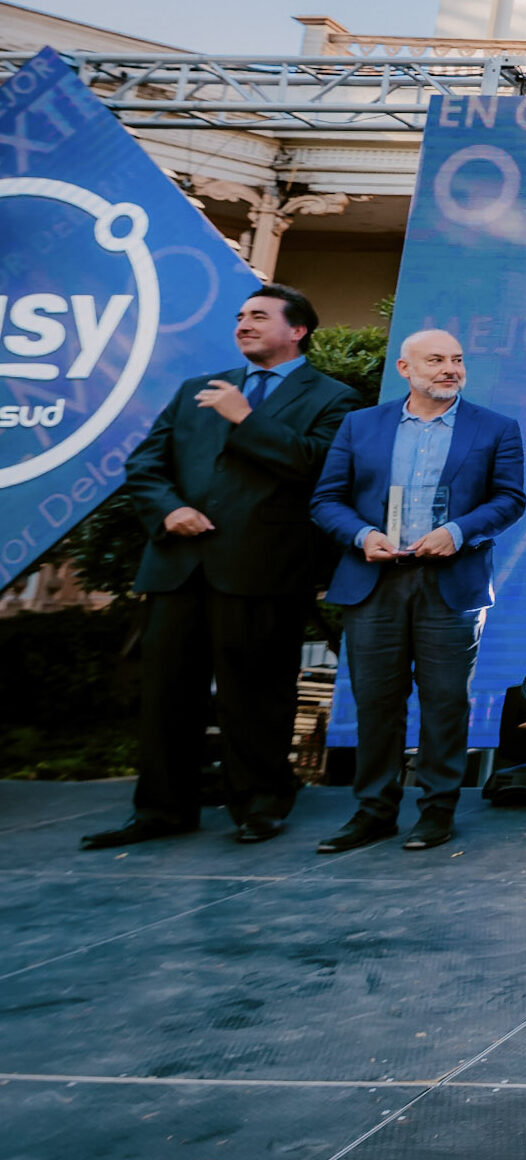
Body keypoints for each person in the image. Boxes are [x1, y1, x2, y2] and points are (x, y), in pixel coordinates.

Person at [81, 284, 359, 850]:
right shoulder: (196, 391)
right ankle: (161, 809)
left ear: (297, 330)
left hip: (262, 568)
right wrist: (169, 509)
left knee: (255, 694)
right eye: (240, 316)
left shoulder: (333, 397)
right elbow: (145, 465)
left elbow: (315, 467)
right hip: (178, 566)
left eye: (259, 316)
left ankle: (260, 804)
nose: (244, 324)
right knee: (166, 695)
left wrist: (245, 419)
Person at [307, 329, 526, 853]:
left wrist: (456, 532)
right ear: (405, 369)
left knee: (446, 702)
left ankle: (436, 810)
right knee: (376, 702)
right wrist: (364, 536)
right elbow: (326, 500)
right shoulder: (361, 426)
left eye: (457, 359)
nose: (449, 369)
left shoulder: (495, 428)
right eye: (435, 360)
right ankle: (374, 810)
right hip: (373, 580)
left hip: (451, 582)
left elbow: (510, 499)